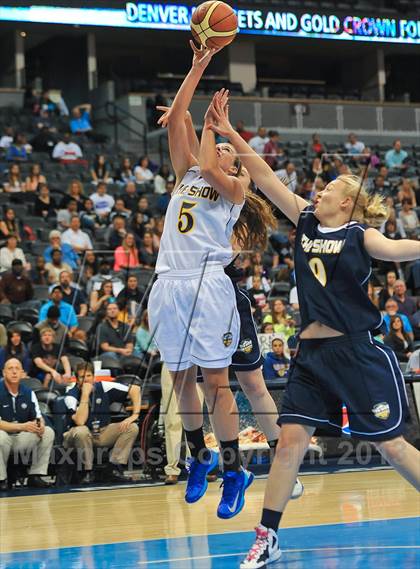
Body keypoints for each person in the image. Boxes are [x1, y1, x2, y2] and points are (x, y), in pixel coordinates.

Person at [206, 90, 420, 567]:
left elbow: (401, 248)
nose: (318, 191)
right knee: (289, 445)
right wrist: (229, 134)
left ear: (346, 204)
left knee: (392, 447)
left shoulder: (360, 235)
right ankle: (267, 536)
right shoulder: (304, 221)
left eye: (327, 190)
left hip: (357, 352)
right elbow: (262, 174)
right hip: (312, 359)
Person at [149, 43, 257, 520]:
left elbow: (212, 164)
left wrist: (215, 127)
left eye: (231, 150)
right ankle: (200, 458)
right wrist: (197, 67)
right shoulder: (186, 173)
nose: (222, 152)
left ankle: (234, 470)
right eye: (219, 144)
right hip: (167, 283)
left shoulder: (234, 188)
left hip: (207, 286)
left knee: (217, 382)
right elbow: (177, 121)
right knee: (179, 380)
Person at [63, 362, 141, 483]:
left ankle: (113, 468)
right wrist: (85, 395)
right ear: (77, 380)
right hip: (74, 436)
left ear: (93, 377)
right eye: (82, 377)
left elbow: (135, 389)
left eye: (88, 376)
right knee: (82, 431)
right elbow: (80, 421)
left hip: (101, 431)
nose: (86, 380)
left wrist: (134, 416)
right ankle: (87, 471)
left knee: (132, 427)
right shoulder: (70, 395)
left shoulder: (102, 387)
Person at [0, 358, 54, 489]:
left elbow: (38, 417)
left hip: (21, 439)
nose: (14, 372)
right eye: (10, 369)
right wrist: (22, 426)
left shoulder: (29, 393)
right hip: (4, 437)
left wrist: (40, 425)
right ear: (3, 373)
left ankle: (36, 475)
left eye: (17, 368)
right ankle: (1, 479)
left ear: (22, 373)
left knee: (48, 432)